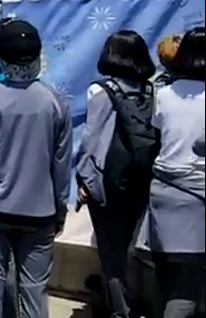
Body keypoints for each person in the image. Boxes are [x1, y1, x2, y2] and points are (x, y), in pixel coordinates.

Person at [0, 19, 71, 318]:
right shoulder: (55, 102)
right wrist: (60, 209)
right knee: (34, 292)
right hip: (40, 211)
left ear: (1, 57)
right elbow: (61, 165)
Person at [76, 30, 159, 318]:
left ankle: (119, 310)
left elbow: (91, 140)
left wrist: (84, 180)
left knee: (111, 251)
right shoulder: (151, 90)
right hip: (143, 177)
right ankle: (128, 301)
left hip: (109, 181)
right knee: (129, 248)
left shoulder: (101, 91)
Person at [143, 27, 205, 318]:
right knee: (188, 287)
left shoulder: (164, 94)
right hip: (197, 198)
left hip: (164, 192)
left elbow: (160, 133)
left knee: (165, 278)